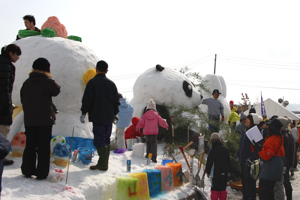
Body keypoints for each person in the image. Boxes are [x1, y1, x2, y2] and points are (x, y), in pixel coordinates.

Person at [20, 58, 61, 179]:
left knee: (30, 145)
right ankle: (42, 173)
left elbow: (23, 99)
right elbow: (56, 90)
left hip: (30, 120)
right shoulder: (47, 82)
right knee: (43, 146)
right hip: (44, 120)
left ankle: (27, 170)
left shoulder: (27, 83)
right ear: (47, 69)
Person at [80, 60, 119, 170]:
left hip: (97, 116)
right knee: (106, 139)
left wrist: (84, 112)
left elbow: (87, 99)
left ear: (96, 69)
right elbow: (116, 101)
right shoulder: (112, 84)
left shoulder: (92, 83)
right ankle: (104, 163)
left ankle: (102, 164)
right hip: (109, 117)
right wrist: (115, 113)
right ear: (107, 71)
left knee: (99, 139)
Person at [0, 44, 22, 166]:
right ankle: (1, 157)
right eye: (17, 54)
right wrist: (6, 105)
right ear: (10, 53)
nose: (18, 57)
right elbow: (4, 89)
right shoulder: (5, 66)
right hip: (2, 105)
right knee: (3, 131)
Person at [258, 118, 285, 200]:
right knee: (271, 192)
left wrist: (258, 149)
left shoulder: (272, 139)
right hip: (275, 170)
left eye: (269, 125)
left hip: (269, 172)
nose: (267, 127)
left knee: (265, 193)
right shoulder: (279, 138)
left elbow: (266, 156)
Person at [239, 113, 263, 200]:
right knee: (245, 181)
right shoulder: (246, 130)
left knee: (250, 182)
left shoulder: (255, 131)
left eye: (248, 118)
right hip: (243, 160)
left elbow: (259, 147)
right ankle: (246, 197)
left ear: (253, 121)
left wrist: (252, 158)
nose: (246, 120)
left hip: (249, 161)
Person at [205, 132, 230, 200]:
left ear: (212, 141)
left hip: (215, 174)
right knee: (222, 189)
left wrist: (208, 171)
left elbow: (209, 162)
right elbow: (228, 162)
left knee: (215, 190)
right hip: (224, 174)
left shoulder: (213, 150)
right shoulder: (225, 150)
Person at [275, 117, 293, 200]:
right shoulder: (289, 135)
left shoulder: (284, 136)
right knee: (285, 182)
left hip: (284, 162)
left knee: (282, 183)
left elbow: (290, 151)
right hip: (286, 162)